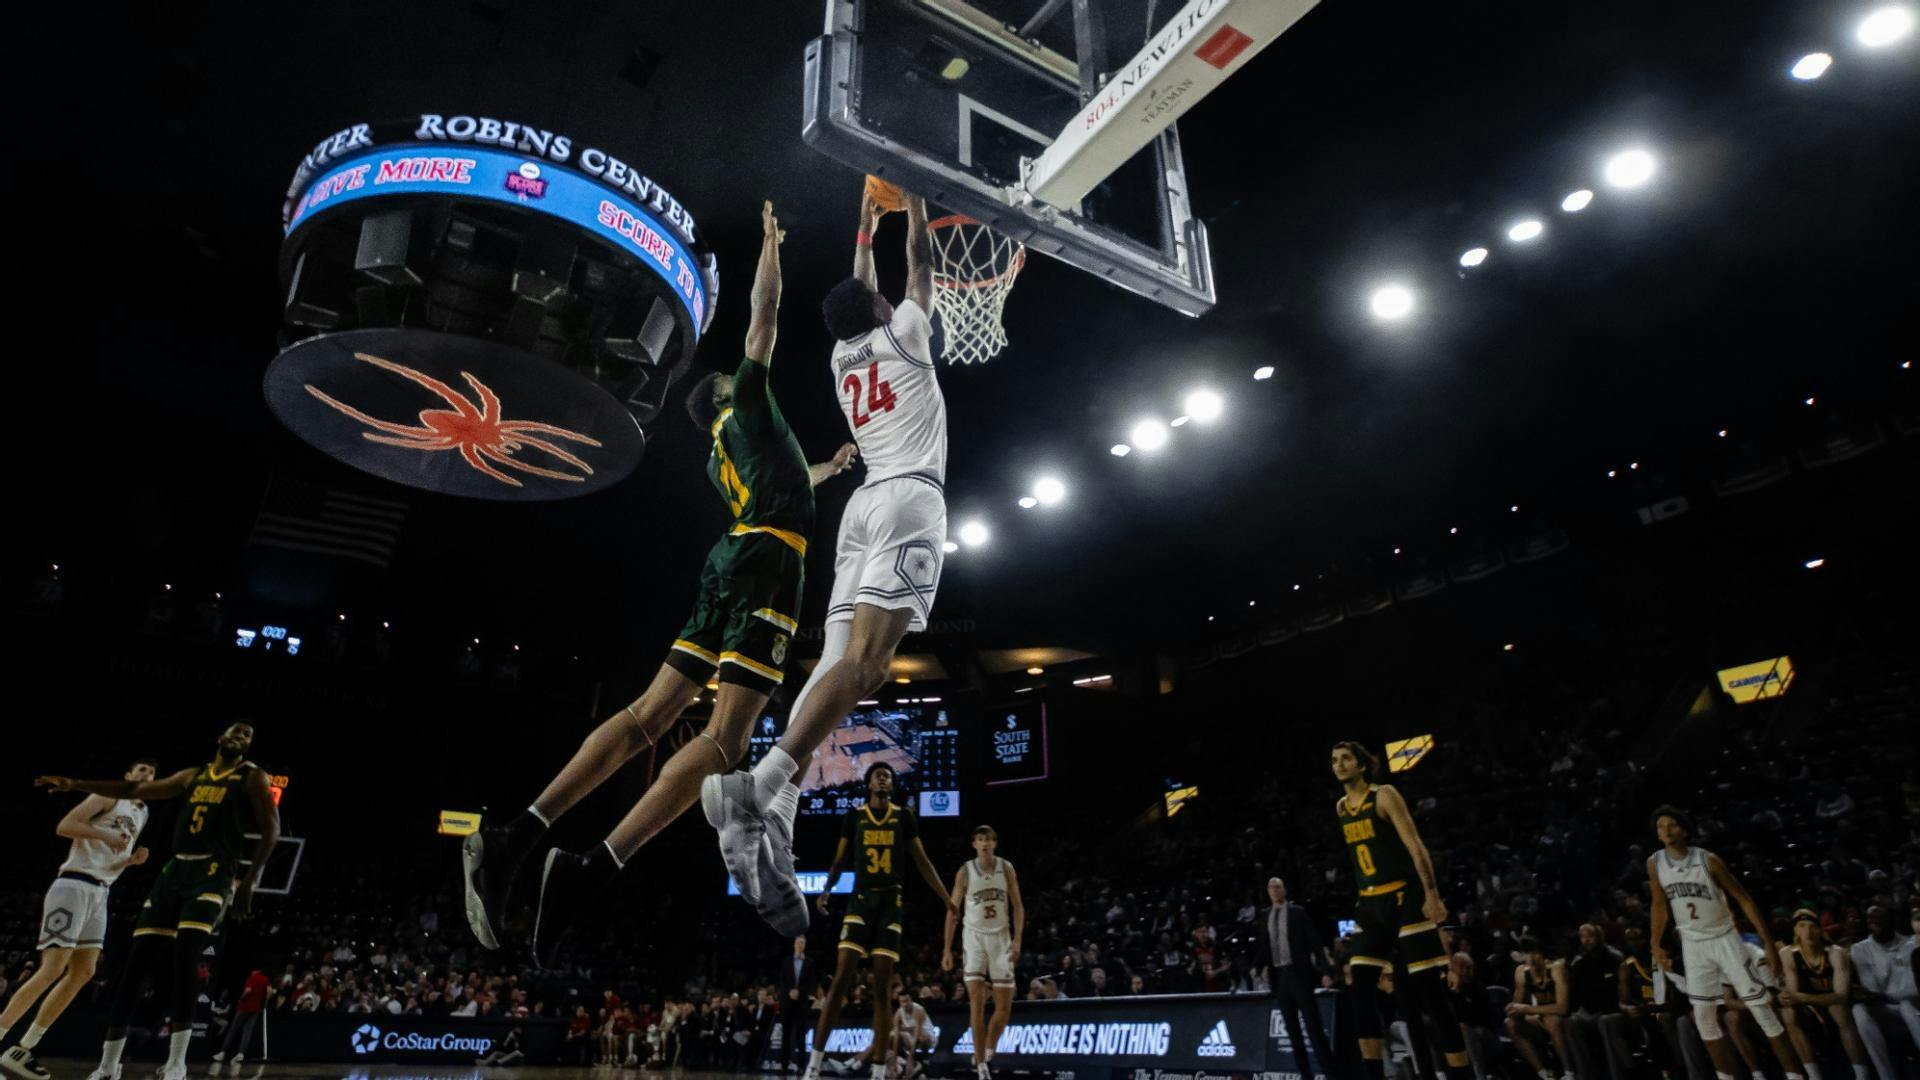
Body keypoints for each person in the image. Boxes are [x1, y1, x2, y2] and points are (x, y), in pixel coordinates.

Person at [457, 200, 860, 966]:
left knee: (649, 713)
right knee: (726, 739)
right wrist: (771, 244)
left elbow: (785, 484)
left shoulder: (721, 455)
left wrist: (826, 471)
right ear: (726, 394)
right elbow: (764, 314)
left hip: (729, 559)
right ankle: (591, 868)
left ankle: (517, 835)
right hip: (770, 563)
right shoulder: (745, 399)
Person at [705, 183, 948, 936]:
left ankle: (779, 803)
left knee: (834, 662)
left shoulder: (846, 355)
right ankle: (765, 782)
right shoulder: (901, 332)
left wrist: (865, 227)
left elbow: (876, 290)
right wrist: (916, 209)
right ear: (880, 315)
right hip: (909, 499)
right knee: (868, 667)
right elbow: (917, 273)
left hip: (864, 508)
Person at [38, 722, 278, 1080]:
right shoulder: (193, 776)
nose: (239, 736)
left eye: (247, 735)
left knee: (186, 957)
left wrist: (247, 883)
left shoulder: (252, 777)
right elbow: (136, 788)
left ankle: (177, 1062)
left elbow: (271, 827)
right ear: (219, 737)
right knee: (136, 964)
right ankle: (107, 1064)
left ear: (247, 747)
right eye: (235, 731)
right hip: (175, 871)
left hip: (214, 871)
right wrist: (77, 784)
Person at [0, 759, 155, 1080]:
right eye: (140, 771)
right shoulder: (107, 796)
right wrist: (104, 835)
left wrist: (130, 862)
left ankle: (23, 1049)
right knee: (52, 968)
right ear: (127, 774)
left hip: (101, 891)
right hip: (74, 885)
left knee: (84, 970)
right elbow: (66, 825)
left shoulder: (142, 812)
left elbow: (109, 859)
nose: (146, 777)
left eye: (151, 774)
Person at [1330, 741, 1472, 1080]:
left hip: (1403, 898)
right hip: (1370, 902)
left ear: (1362, 765)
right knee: (1360, 985)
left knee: (1431, 994)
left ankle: (1462, 1075)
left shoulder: (1384, 795)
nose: (1339, 764)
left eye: (1346, 758)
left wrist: (1432, 893)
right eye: (1334, 760)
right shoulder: (1340, 807)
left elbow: (1415, 845)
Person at [802, 764, 954, 1080]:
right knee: (842, 976)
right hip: (861, 898)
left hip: (890, 902)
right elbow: (840, 858)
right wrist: (827, 889)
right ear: (869, 784)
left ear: (892, 786)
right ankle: (813, 1065)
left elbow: (922, 862)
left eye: (888, 775)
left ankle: (879, 1071)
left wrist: (947, 898)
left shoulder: (904, 817)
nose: (883, 777)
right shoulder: (855, 817)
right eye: (877, 774)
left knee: (883, 987)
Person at [1646, 805, 1807, 1080]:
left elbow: (1743, 898)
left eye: (1671, 825)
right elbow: (1659, 905)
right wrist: (1655, 943)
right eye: (1661, 827)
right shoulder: (1655, 863)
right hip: (1693, 944)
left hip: (1724, 938)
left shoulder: (1708, 860)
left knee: (1761, 1009)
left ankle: (1794, 1075)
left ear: (1684, 830)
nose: (1666, 830)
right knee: (1704, 1018)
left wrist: (1768, 943)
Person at [942, 825, 1025, 1080]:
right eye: (980, 840)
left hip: (1001, 938)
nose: (985, 843)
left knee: (1003, 1010)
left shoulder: (1006, 868)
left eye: (989, 839)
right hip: (974, 938)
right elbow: (953, 911)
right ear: (974, 845)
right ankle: (980, 1067)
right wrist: (947, 948)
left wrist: (1018, 939)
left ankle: (989, 1047)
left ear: (995, 844)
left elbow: (1018, 906)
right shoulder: (965, 871)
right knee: (976, 1006)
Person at [1259, 876, 1340, 1080]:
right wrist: (1259, 967)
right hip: (1280, 978)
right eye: (1271, 887)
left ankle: (1331, 1074)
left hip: (1298, 975)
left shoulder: (1298, 913)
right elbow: (1263, 945)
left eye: (1278, 886)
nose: (1275, 890)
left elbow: (1314, 942)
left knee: (1313, 1028)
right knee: (1293, 1033)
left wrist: (1327, 972)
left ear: (1284, 890)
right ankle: (1306, 1075)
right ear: (1268, 891)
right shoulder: (1264, 915)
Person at [1777, 909, 1872, 1080]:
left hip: (1836, 1002)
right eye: (1802, 926)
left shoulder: (1836, 953)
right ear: (1795, 930)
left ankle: (1861, 1073)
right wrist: (1784, 997)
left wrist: (1802, 997)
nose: (1808, 932)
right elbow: (1792, 993)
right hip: (1811, 1006)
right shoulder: (1787, 954)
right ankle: (1813, 1075)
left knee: (1839, 1011)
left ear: (1820, 930)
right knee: (1788, 1013)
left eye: (1813, 926)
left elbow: (1841, 995)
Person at [1848, 904, 1919, 1080]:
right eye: (1871, 919)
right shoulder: (1859, 949)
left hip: (1912, 1011)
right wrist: (1876, 995)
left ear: (1892, 920)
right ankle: (1886, 1075)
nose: (1875, 923)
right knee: (1859, 1010)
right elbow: (1870, 989)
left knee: (1906, 1006)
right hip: (1882, 1012)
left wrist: (1883, 995)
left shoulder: (1910, 944)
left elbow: (1913, 990)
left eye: (1880, 918)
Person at [1505, 937, 1575, 1080]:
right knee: (1510, 1024)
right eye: (1527, 953)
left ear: (1541, 953)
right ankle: (1543, 1073)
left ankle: (1569, 1073)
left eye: (1533, 953)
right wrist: (1513, 1009)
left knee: (1551, 1020)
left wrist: (1526, 1008)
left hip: (1564, 1017)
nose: (1530, 957)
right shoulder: (1521, 971)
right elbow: (1517, 1004)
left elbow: (1562, 1008)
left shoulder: (1555, 968)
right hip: (1540, 1015)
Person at [1564, 923, 1623, 1080]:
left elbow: (1622, 992)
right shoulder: (1580, 963)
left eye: (1590, 936)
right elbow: (1575, 995)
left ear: (1599, 937)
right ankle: (1585, 1074)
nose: (1586, 940)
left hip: (1613, 1011)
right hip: (1590, 1012)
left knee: (1605, 1022)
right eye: (1583, 937)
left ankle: (1616, 1074)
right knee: (1571, 1022)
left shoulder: (1615, 958)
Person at [211, 969, 270, 1067]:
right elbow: (269, 991)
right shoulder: (265, 979)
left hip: (244, 1007)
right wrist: (265, 1003)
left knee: (233, 1029)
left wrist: (241, 999)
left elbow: (248, 990)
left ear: (256, 971)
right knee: (247, 1031)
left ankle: (222, 1053)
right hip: (256, 1009)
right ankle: (240, 1054)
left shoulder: (252, 978)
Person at [777, 936, 817, 1072]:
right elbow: (781, 981)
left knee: (801, 1035)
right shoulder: (786, 961)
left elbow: (811, 983)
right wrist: (789, 992)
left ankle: (801, 1066)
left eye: (802, 943)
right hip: (787, 1003)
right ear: (794, 944)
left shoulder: (809, 963)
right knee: (786, 1034)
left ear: (805, 946)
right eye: (798, 942)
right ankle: (783, 1065)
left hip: (801, 1003)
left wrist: (800, 992)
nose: (800, 945)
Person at [889, 987, 933, 1079]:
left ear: (911, 1000)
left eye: (906, 1001)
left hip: (926, 1037)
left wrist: (911, 1058)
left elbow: (917, 1034)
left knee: (922, 1037)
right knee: (892, 1036)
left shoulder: (919, 1010)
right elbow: (896, 1036)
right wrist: (893, 1061)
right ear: (899, 1002)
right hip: (910, 1037)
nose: (905, 1004)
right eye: (902, 1002)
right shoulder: (898, 1013)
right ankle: (901, 1061)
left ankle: (924, 1059)